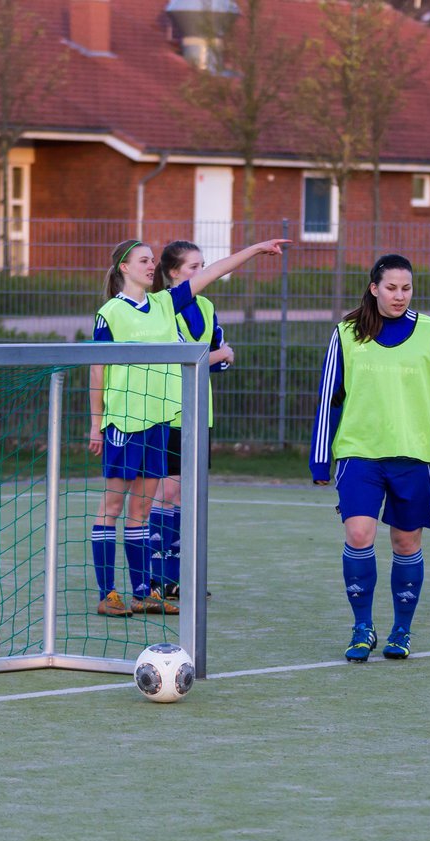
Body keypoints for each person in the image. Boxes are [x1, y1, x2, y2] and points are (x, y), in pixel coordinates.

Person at [90, 236, 287, 617]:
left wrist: (254, 250)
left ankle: (142, 591)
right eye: (143, 260)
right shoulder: (110, 312)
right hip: (123, 423)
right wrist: (96, 423)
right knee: (112, 505)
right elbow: (97, 368)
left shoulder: (166, 303)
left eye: (152, 260)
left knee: (141, 512)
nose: (151, 265)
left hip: (158, 424)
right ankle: (106, 593)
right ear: (124, 269)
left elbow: (213, 272)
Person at [310, 254, 430, 661]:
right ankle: (362, 627)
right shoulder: (346, 333)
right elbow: (329, 396)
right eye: (392, 288)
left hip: (415, 456)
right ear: (374, 288)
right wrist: (319, 457)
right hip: (359, 454)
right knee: (359, 535)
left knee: (404, 542)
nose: (400, 296)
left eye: (407, 288)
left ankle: (402, 630)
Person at [148, 240, 236, 603]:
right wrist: (217, 355)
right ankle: (154, 577)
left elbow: (219, 356)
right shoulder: (162, 307)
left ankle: (179, 577)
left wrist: (217, 355)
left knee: (186, 494)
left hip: (201, 410)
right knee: (165, 491)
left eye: (203, 265)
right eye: (193, 267)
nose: (201, 273)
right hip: (167, 409)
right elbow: (192, 356)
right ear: (173, 274)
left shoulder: (208, 305)